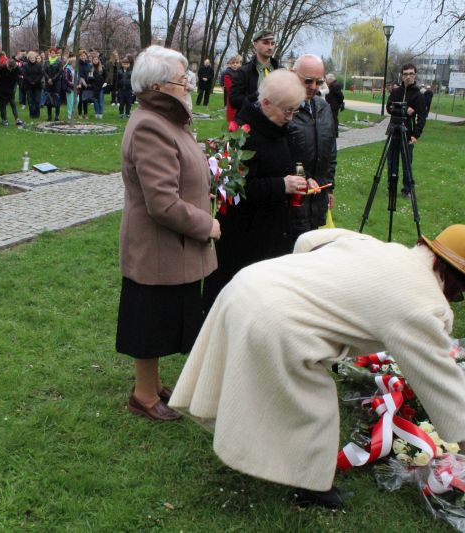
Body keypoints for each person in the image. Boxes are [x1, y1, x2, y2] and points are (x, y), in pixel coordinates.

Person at [170, 224, 465, 508]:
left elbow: (310, 240)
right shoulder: (422, 302)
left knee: (270, 382)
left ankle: (251, 439)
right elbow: (437, 375)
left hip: (248, 284)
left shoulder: (384, 248)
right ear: (455, 282)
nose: (454, 300)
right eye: (459, 294)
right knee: (314, 408)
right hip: (274, 318)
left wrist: (308, 281)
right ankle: (311, 486)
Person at [117, 45, 221, 422]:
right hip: (155, 246)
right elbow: (162, 202)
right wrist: (206, 224)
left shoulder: (167, 119)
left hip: (168, 245)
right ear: (158, 87)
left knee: (161, 319)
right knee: (150, 323)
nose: (189, 84)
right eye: (183, 79)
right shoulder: (151, 125)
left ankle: (153, 384)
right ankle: (143, 396)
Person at [202, 69, 306, 309]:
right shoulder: (241, 133)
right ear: (266, 103)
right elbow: (232, 186)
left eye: (294, 110)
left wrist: (301, 180)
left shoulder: (279, 129)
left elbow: (284, 165)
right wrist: (281, 185)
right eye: (287, 110)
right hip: (244, 236)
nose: (290, 117)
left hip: (272, 230)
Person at [288, 55, 337, 238]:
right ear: (293, 74)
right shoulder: (285, 108)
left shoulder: (324, 107)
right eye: (308, 80)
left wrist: (329, 188)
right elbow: (283, 153)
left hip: (317, 198)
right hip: (292, 200)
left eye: (319, 82)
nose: (314, 86)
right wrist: (304, 176)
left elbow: (330, 151)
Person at [386, 63, 427, 198]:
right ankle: (391, 187)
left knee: (406, 163)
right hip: (393, 132)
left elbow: (422, 116)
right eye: (405, 74)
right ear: (402, 76)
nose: (408, 77)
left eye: (411, 74)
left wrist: (416, 135)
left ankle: (407, 189)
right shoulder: (396, 92)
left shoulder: (418, 95)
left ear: (415, 75)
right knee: (392, 163)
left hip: (408, 134)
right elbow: (389, 107)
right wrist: (403, 109)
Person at [229, 28, 279, 114]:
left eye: (272, 43)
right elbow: (234, 101)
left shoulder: (280, 70)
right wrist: (257, 95)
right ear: (255, 45)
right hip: (252, 119)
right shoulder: (243, 71)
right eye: (266, 43)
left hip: (276, 119)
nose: (270, 47)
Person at [0, 58, 22, 126]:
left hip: (11, 89)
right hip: (2, 90)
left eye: (12, 68)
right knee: (3, 105)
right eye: (9, 67)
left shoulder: (16, 69)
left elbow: (21, 73)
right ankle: (4, 120)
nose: (10, 69)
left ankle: (17, 119)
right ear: (7, 64)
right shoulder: (2, 68)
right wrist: (0, 85)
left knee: (13, 104)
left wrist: (17, 68)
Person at [43, 47, 63, 121]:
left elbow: (60, 72)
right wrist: (48, 79)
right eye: (51, 53)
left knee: (56, 98)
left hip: (56, 83)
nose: (52, 54)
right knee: (49, 99)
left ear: (56, 54)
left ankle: (57, 116)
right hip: (48, 83)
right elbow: (44, 71)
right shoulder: (46, 62)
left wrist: (53, 79)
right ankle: (49, 116)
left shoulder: (59, 62)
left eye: (53, 53)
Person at [23, 51, 43, 119]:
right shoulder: (25, 66)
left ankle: (37, 114)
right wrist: (31, 82)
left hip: (37, 85)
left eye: (33, 58)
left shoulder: (39, 65)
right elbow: (25, 75)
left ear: (35, 58)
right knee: (30, 101)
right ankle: (31, 115)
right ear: (28, 58)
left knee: (37, 101)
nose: (32, 59)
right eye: (30, 58)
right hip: (29, 85)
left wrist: (35, 81)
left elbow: (40, 74)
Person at [222, 55, 242, 123]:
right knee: (232, 113)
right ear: (230, 64)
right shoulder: (227, 74)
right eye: (233, 63)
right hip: (232, 96)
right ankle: (232, 123)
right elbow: (229, 87)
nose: (235, 64)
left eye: (237, 63)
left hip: (240, 96)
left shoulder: (241, 72)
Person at [324, 72, 344, 137]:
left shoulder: (335, 85)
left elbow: (340, 96)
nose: (326, 80)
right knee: (331, 119)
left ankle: (335, 133)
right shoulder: (332, 85)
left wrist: (341, 103)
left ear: (330, 79)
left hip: (334, 106)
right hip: (331, 105)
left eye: (327, 79)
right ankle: (332, 132)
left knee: (334, 119)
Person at [88, 54, 106, 119]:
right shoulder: (91, 68)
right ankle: (97, 112)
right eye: (94, 60)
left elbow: (106, 76)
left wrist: (105, 83)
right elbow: (89, 78)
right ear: (92, 61)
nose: (95, 61)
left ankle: (100, 113)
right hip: (94, 87)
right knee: (95, 100)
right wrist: (90, 78)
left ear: (98, 60)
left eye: (96, 59)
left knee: (101, 100)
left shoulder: (102, 67)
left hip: (101, 87)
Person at [76, 49, 91, 119]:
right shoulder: (78, 64)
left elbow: (90, 72)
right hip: (80, 83)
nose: (83, 57)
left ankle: (85, 113)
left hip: (87, 83)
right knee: (80, 99)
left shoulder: (88, 63)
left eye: (84, 55)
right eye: (81, 56)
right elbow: (78, 74)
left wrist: (89, 82)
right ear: (79, 56)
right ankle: (79, 113)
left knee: (86, 99)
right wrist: (82, 82)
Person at [63, 54, 76, 120]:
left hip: (76, 88)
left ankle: (73, 113)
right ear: (72, 63)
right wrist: (73, 85)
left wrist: (79, 84)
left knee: (77, 100)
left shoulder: (76, 69)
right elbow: (66, 79)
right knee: (70, 102)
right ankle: (70, 115)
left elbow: (79, 77)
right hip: (69, 88)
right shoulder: (67, 69)